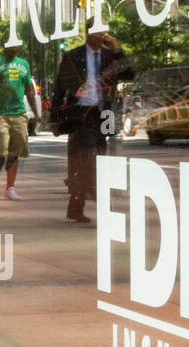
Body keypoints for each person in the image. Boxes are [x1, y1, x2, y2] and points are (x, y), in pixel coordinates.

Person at [49, 29, 133, 223]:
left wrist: (117, 51)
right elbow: (60, 88)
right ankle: (106, 209)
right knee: (89, 161)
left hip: (105, 114)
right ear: (89, 34)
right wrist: (54, 118)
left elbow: (129, 74)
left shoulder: (109, 56)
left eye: (106, 32)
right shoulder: (73, 56)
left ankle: (75, 207)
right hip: (82, 114)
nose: (104, 36)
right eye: (99, 32)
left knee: (100, 159)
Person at [0, 44, 41, 200]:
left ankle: (10, 187)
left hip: (19, 113)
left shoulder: (24, 64)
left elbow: (29, 90)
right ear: (4, 44)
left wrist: (36, 113)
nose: (15, 47)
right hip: (1, 113)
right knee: (2, 147)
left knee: (18, 147)